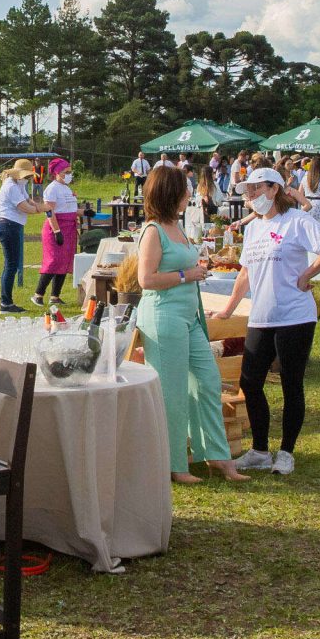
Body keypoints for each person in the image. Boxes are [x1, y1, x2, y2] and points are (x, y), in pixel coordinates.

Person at [215, 166, 320, 474]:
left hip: (295, 316)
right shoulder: (254, 228)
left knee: (290, 383)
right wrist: (228, 310)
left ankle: (286, 452)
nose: (251, 194)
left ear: (274, 189)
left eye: (257, 188)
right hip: (261, 317)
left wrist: (308, 274)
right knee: (250, 382)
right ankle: (260, 450)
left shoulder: (296, 220)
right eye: (248, 190)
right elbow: (245, 273)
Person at [135, 165, 244, 484]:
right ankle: (174, 464)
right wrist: (186, 275)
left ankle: (216, 454)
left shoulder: (176, 226)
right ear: (169, 193)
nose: (189, 194)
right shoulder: (153, 231)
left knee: (208, 380)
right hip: (164, 316)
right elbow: (146, 280)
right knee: (172, 391)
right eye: (184, 189)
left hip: (190, 316)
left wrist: (194, 273)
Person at [34, 158, 82, 309]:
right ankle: (38, 294)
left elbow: (70, 209)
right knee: (53, 261)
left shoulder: (66, 188)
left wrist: (86, 212)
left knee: (65, 260)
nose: (69, 174)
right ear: (57, 173)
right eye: (66, 172)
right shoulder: (52, 189)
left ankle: (55, 296)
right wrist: (56, 231)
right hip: (56, 228)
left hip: (69, 228)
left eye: (70, 172)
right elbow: (50, 211)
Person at [0, 158, 35, 313]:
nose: (28, 178)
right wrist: (42, 209)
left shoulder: (19, 184)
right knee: (11, 265)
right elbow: (25, 207)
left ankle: (6, 301)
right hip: (8, 226)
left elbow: (29, 201)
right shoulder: (11, 186)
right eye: (27, 176)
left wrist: (39, 205)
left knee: (12, 264)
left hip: (13, 226)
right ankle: (6, 303)